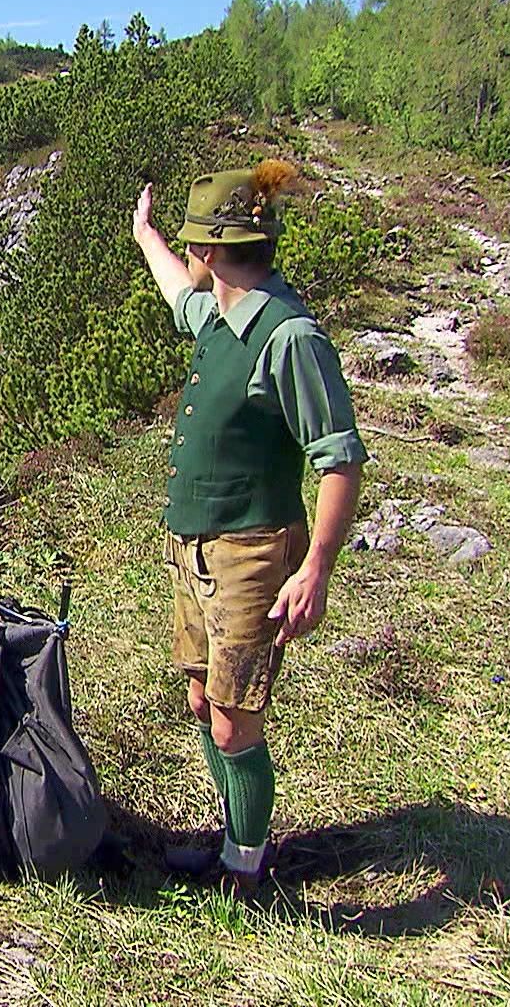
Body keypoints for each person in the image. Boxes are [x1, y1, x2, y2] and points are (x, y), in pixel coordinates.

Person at [130, 161, 367, 890]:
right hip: (198, 549)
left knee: (235, 720)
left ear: (210, 252)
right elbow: (177, 294)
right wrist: (143, 235)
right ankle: (235, 836)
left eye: (189, 247)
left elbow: (340, 460)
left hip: (250, 552)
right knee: (204, 699)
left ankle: (245, 864)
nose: (187, 261)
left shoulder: (288, 336)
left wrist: (316, 568)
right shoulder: (224, 312)